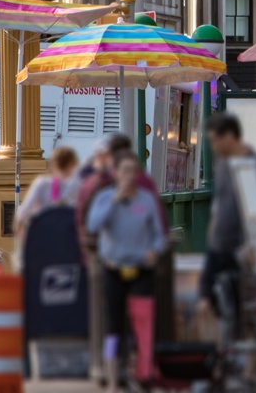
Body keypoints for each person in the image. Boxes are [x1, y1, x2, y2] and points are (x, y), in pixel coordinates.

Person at [87, 154, 167, 391]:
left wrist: (155, 250)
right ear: (116, 174)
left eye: (133, 171)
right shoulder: (104, 198)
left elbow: (159, 235)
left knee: (142, 323)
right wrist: (114, 200)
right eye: (124, 171)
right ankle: (112, 379)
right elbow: (93, 225)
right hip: (114, 270)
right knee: (113, 328)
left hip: (141, 270)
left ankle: (143, 375)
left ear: (138, 175)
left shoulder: (147, 200)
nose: (128, 176)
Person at [201, 115, 256, 320]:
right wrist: (212, 228)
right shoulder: (223, 163)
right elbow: (220, 199)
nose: (213, 146)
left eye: (215, 140)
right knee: (209, 298)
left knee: (242, 304)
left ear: (230, 137)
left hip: (244, 247)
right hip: (219, 243)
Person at [16, 145, 80, 236]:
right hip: (66, 236)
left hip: (42, 233)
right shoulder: (76, 185)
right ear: (72, 164)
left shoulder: (42, 183)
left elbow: (24, 210)